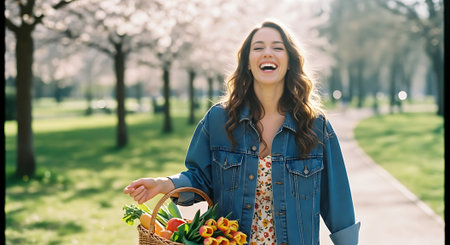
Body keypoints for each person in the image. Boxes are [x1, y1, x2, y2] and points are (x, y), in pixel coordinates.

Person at [124, 20, 360, 245]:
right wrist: (164, 184)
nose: (268, 53)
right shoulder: (218, 120)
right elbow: (200, 178)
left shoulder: (315, 126)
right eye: (258, 47)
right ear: (248, 62)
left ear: (290, 61)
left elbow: (338, 201)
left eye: (278, 48)